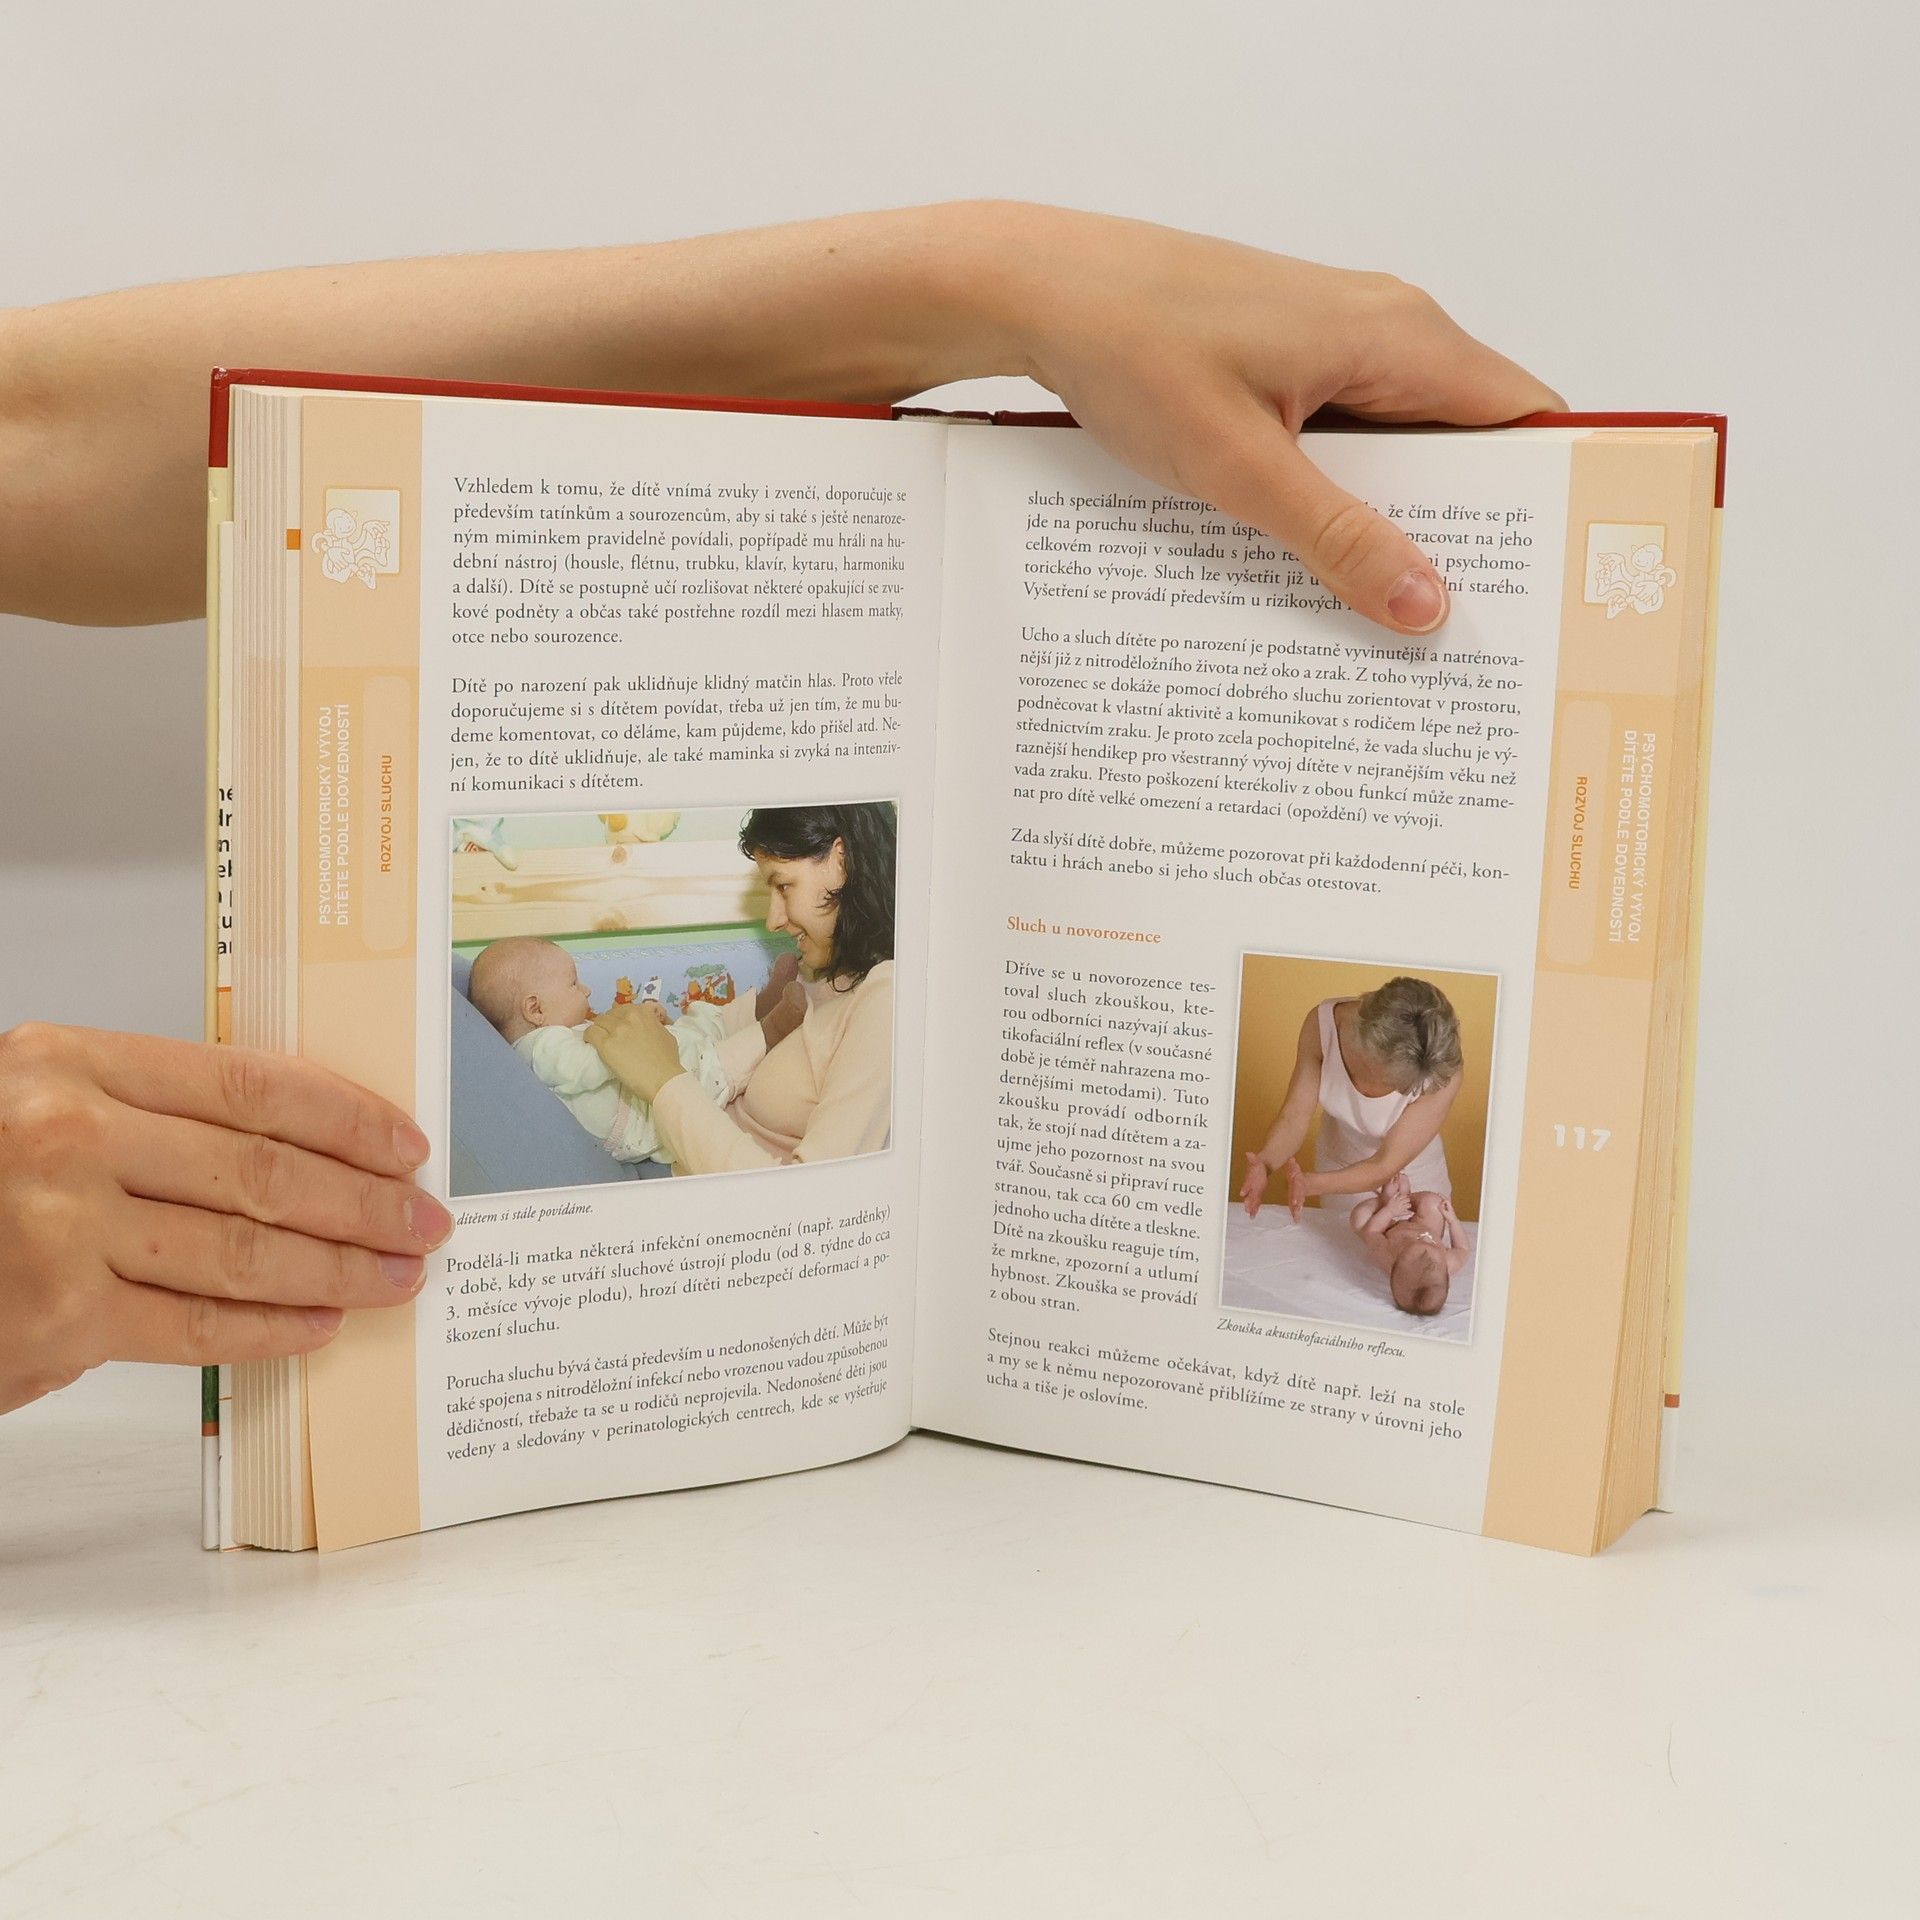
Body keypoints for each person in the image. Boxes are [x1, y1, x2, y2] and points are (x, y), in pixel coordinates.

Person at [0, 200, 1564, 1416]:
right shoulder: (827, 997)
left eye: (796, 885)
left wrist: (1007, 284)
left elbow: (43, 430)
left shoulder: (854, 999)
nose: (774, 909)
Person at [586, 804, 896, 1173]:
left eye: (784, 886)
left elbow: (810, 1195)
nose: (773, 920)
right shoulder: (821, 971)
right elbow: (726, 1029)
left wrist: (662, 1080)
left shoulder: (886, 998)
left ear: (841, 860)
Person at [464, 937, 801, 1169]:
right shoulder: (540, 1048)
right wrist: (635, 1038)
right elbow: (591, 1065)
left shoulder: (556, 1035)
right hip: (643, 1122)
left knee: (692, 1027)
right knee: (713, 1065)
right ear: (535, 1009)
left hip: (637, 1094)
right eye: (573, 983)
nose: (586, 990)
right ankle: (771, 1030)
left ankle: (756, 1007)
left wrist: (641, 1026)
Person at [1239, 976, 1464, 1224]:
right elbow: (1294, 1117)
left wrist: (1310, 1183)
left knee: (1419, 1245)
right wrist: (1265, 1163)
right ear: (1367, 1047)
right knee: (1348, 1242)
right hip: (1339, 1164)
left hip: (1414, 1173)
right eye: (1393, 1080)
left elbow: (1384, 1166)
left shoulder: (1440, 1068)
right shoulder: (1324, 1026)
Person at [1348, 1170, 1469, 1317]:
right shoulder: (1449, 1263)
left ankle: (1387, 1200)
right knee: (1434, 1202)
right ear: (1446, 1275)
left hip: (1389, 1228)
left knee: (1359, 1217)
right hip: (1426, 1227)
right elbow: (1462, 1249)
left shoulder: (1387, 1257)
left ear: (1395, 1265)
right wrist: (1453, 1220)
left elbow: (1372, 1232)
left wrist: (1389, 1210)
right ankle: (1405, 1199)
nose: (1421, 1239)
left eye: (1409, 1247)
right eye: (1430, 1246)